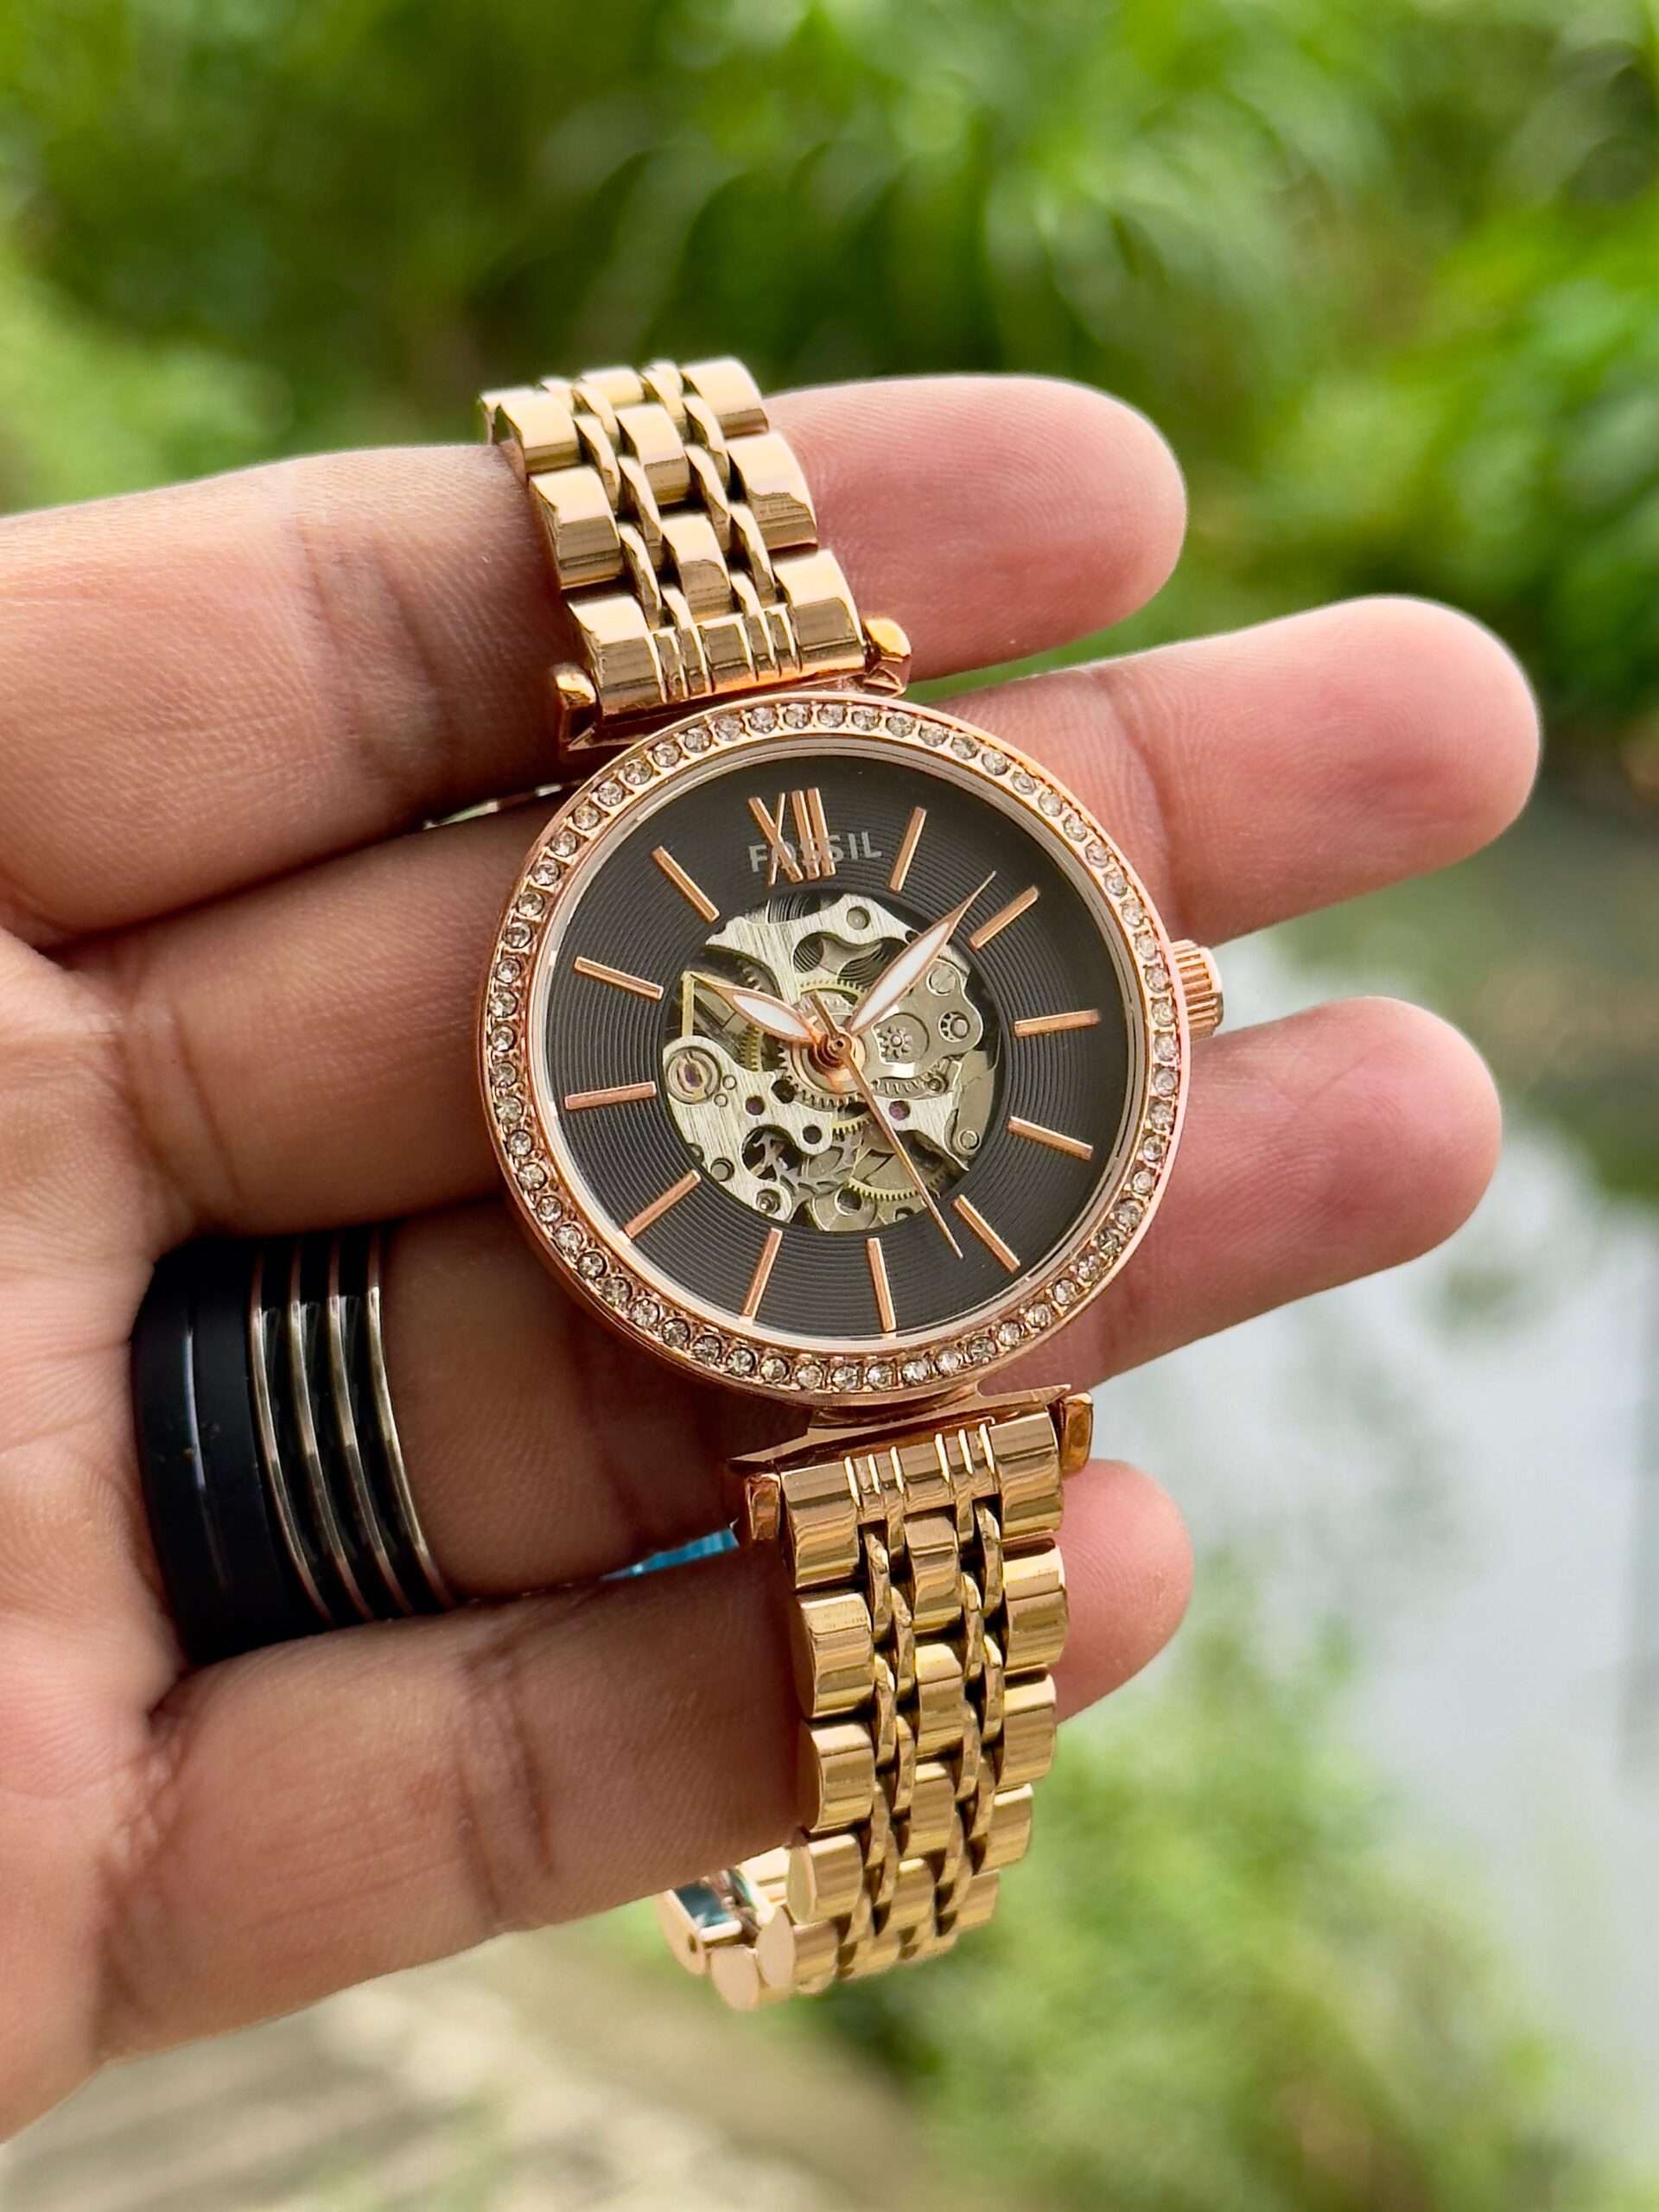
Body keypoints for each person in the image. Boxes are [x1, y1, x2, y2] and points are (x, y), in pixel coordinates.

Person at [0, 374, 1537, 2132]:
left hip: (893, 1293)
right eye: (806, 1043)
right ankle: (871, 1894)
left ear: (1154, 1003)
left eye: (865, 1034)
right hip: (801, 1268)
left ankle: (863, 1902)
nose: (837, 1057)